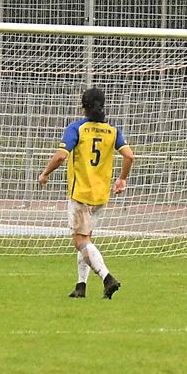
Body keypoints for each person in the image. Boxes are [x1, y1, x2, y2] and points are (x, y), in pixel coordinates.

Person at [38, 87, 134, 299]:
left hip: (81, 194)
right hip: (101, 195)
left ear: (83, 106)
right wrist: (122, 179)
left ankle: (107, 277)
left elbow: (61, 156)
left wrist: (45, 173)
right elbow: (129, 156)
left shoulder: (77, 128)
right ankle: (80, 286)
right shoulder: (112, 130)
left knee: (80, 241)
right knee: (86, 240)